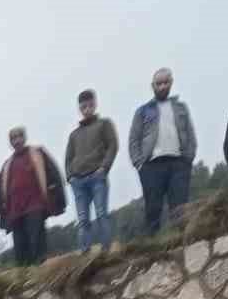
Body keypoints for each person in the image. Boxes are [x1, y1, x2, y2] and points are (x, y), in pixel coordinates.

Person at [128, 68, 197, 234]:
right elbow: (134, 139)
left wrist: (188, 159)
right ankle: (153, 246)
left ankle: (181, 241)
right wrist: (139, 164)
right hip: (151, 166)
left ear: (171, 83)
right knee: (153, 208)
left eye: (166, 82)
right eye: (159, 83)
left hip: (178, 163)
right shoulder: (143, 110)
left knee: (180, 207)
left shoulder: (181, 107)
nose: (163, 86)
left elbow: (190, 133)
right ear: (153, 86)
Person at [0, 126, 66, 267]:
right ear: (10, 142)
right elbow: (0, 189)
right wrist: (2, 211)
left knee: (36, 238)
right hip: (15, 210)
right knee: (19, 246)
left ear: (24, 138)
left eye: (19, 137)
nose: (16, 141)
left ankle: (40, 268)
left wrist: (56, 194)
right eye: (13, 138)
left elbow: (54, 173)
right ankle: (24, 275)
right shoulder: (7, 164)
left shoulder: (38, 153)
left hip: (35, 205)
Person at [66, 90, 119, 251]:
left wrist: (104, 167)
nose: (87, 109)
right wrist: (70, 177)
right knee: (83, 219)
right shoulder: (74, 134)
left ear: (95, 104)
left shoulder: (104, 124)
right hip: (78, 181)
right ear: (79, 109)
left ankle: (106, 251)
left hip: (97, 177)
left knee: (101, 213)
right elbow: (68, 158)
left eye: (89, 105)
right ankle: (84, 253)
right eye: (83, 107)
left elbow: (113, 146)